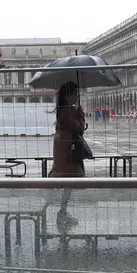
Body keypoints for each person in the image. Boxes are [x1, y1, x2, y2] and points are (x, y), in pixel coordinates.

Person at [49, 81, 86, 227]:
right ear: (67, 96)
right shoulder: (66, 111)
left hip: (64, 150)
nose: (77, 97)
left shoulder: (65, 110)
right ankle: (62, 213)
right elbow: (78, 130)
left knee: (68, 185)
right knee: (68, 183)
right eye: (75, 94)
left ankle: (63, 212)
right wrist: (80, 116)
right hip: (67, 152)